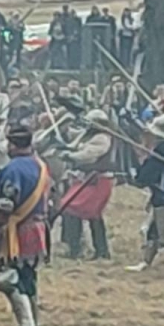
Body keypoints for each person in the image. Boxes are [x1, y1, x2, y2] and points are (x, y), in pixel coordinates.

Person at [0, 126, 49, 326]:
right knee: (27, 274)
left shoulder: (13, 169)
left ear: (13, 145)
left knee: (7, 278)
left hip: (18, 229)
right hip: (38, 226)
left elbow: (7, 204)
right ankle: (34, 321)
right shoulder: (40, 165)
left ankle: (27, 323)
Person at [126, 114, 164, 272]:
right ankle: (146, 261)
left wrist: (138, 177)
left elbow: (147, 175)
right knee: (152, 231)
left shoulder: (163, 151)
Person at [59, 109, 115, 260]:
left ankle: (78, 249)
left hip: (97, 180)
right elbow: (75, 140)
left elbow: (89, 154)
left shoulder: (102, 138)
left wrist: (71, 156)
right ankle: (98, 250)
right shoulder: (90, 135)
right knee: (89, 214)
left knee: (72, 209)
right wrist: (64, 128)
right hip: (87, 179)